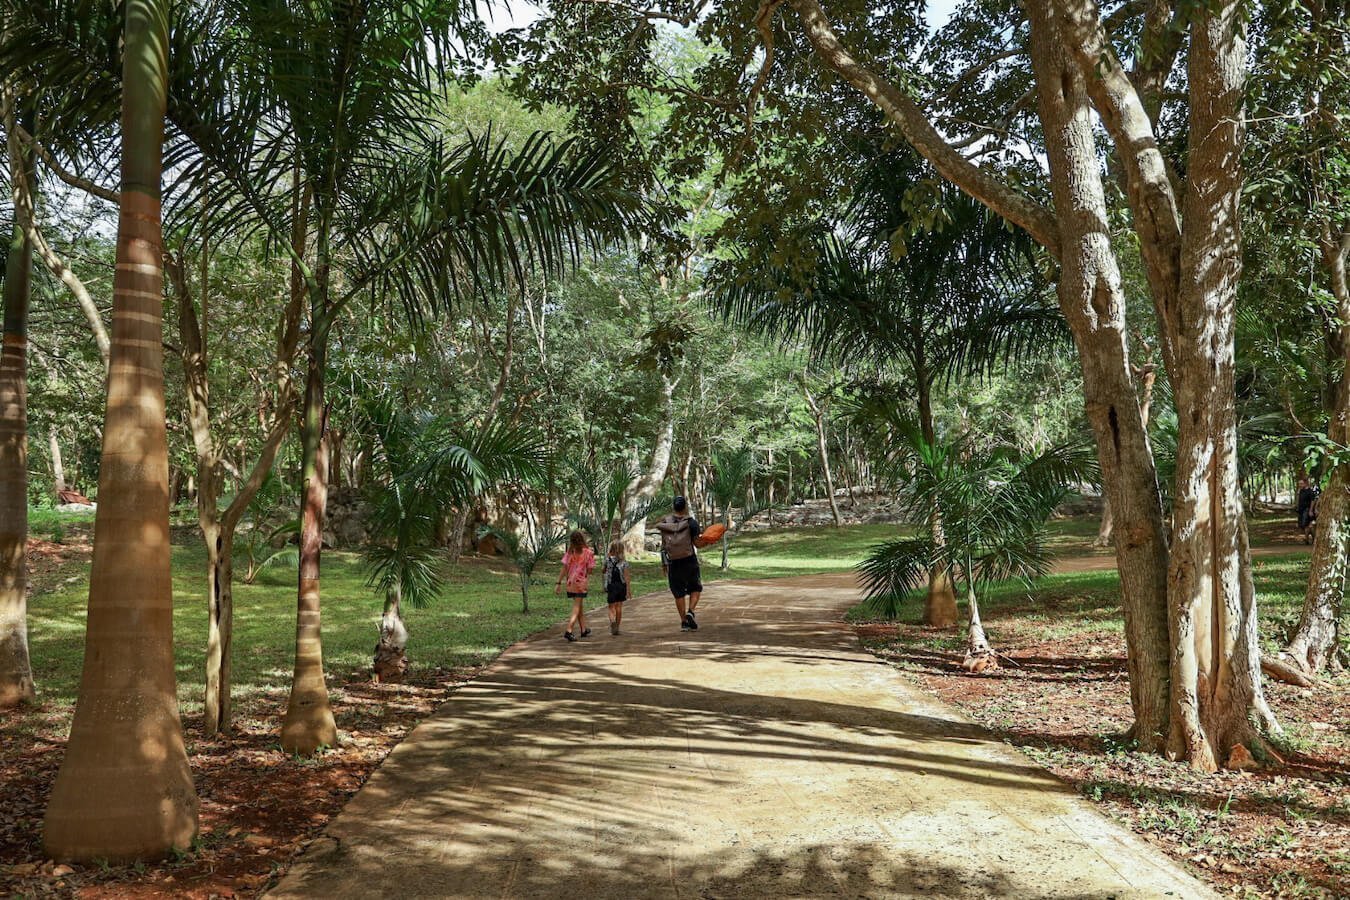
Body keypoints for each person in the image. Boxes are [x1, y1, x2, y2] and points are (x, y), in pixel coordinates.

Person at [657, 496, 702, 631]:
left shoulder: (665, 523)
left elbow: (664, 545)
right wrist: (708, 541)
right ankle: (691, 611)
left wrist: (664, 564)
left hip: (673, 562)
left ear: (673, 507)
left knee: (678, 592)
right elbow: (697, 544)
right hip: (689, 561)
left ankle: (683, 622)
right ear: (685, 507)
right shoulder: (691, 523)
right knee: (695, 588)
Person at [556, 531, 595, 642]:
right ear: (583, 540)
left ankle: (583, 629)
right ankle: (569, 630)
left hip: (570, 583)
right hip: (581, 583)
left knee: (579, 606)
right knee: (577, 607)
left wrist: (558, 583)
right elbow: (590, 570)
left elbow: (564, 568)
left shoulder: (569, 552)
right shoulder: (588, 553)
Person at [603, 540, 632, 635]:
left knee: (611, 607)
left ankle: (612, 622)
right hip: (621, 586)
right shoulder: (624, 562)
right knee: (619, 607)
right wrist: (628, 590)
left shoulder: (607, 560)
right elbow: (627, 577)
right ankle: (617, 627)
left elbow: (603, 571)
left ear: (611, 550)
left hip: (611, 586)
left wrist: (607, 558)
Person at [1297, 476, 1320, 544]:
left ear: (1305, 483)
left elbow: (1313, 501)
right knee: (1304, 525)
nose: (1300, 485)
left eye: (1301, 484)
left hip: (1307, 510)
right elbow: (1299, 499)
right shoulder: (1301, 491)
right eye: (1299, 484)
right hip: (1301, 510)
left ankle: (1308, 539)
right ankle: (1310, 538)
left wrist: (1310, 510)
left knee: (1307, 525)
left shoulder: (1310, 491)